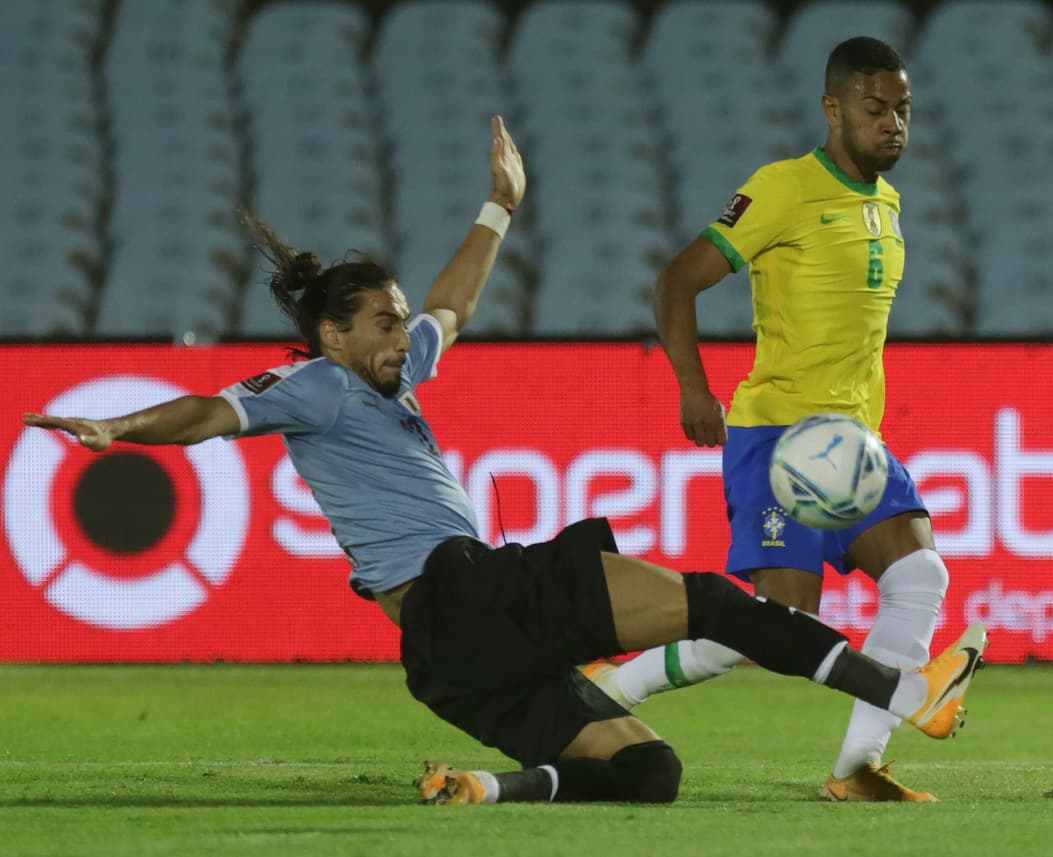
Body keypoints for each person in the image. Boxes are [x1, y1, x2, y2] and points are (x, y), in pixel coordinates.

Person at [22, 116, 986, 806]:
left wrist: (498, 206)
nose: (406, 334)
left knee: (650, 775)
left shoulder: (396, 370)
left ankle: (485, 787)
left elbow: (454, 307)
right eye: (384, 322)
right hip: (464, 591)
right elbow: (210, 412)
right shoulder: (316, 385)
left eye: (400, 318)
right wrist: (124, 427)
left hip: (449, 659)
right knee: (718, 597)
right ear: (330, 334)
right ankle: (907, 693)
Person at [586, 37, 952, 803]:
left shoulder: (886, 202)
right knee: (777, 625)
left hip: (856, 445)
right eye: (875, 107)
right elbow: (678, 279)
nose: (893, 124)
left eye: (903, 110)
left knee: (920, 573)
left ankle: (858, 766)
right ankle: (617, 684)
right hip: (781, 437)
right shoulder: (783, 189)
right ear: (834, 108)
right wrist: (694, 388)